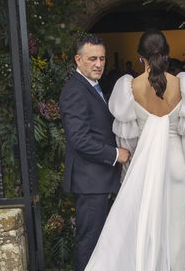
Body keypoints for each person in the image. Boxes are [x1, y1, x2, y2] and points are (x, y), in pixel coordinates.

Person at [85, 29, 185, 271]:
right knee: (176, 233)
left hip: (144, 167)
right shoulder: (183, 85)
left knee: (145, 228)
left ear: (140, 57)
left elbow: (127, 138)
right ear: (167, 54)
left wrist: (129, 171)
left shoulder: (129, 88)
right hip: (177, 167)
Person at [59, 34, 131, 271]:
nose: (99, 64)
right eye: (92, 59)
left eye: (102, 58)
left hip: (98, 179)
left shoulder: (93, 86)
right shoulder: (74, 90)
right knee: (89, 242)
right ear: (78, 60)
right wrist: (115, 154)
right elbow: (78, 139)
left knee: (101, 241)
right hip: (90, 181)